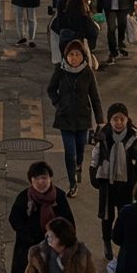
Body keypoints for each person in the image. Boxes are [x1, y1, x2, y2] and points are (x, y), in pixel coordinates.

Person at [90, 103, 137, 260]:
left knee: (127, 215)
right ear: (110, 120)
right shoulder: (102, 134)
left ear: (127, 119)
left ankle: (125, 243)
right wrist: (94, 175)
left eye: (122, 119)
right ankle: (107, 242)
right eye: (115, 119)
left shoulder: (135, 136)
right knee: (107, 217)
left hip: (128, 185)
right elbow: (95, 155)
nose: (118, 123)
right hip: (107, 185)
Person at [47, 40, 103, 198]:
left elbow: (95, 97)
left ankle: (78, 167)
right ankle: (72, 183)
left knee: (79, 151)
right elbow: (51, 89)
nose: (74, 57)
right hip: (65, 118)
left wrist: (100, 120)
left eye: (77, 54)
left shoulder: (88, 72)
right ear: (66, 56)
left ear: (83, 56)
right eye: (71, 54)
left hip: (82, 118)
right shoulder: (60, 69)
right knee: (69, 152)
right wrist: (59, 104)